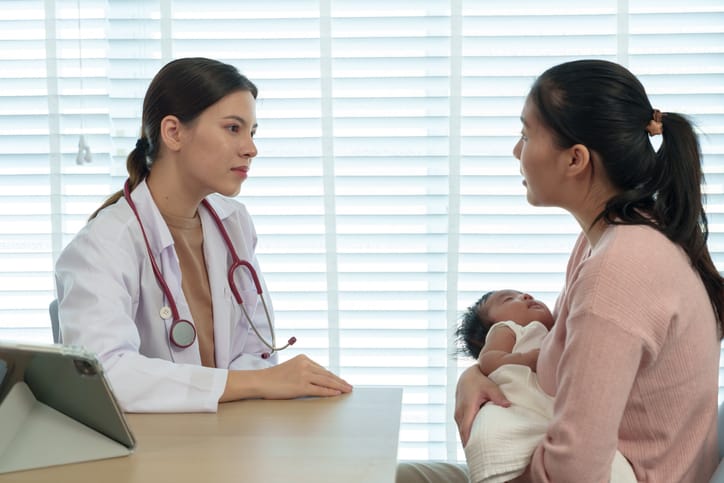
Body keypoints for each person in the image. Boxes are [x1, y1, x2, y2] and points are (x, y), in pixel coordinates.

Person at [398, 59, 723, 483]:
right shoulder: (620, 234)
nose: (517, 150)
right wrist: (474, 374)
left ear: (575, 160)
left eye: (525, 134)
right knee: (384, 474)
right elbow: (564, 357)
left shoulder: (619, 268)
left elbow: (575, 470)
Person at [54, 57, 352, 412]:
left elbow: (252, 349)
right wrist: (256, 382)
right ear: (174, 132)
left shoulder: (233, 223)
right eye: (233, 128)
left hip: (226, 435)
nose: (250, 148)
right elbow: (103, 374)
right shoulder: (105, 244)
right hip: (148, 452)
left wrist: (257, 381)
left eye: (252, 132)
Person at [456, 289, 634, 483]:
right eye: (509, 299)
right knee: (503, 431)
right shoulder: (507, 329)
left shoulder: (556, 331)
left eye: (524, 294)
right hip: (517, 403)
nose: (526, 296)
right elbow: (489, 360)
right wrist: (528, 359)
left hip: (548, 408)